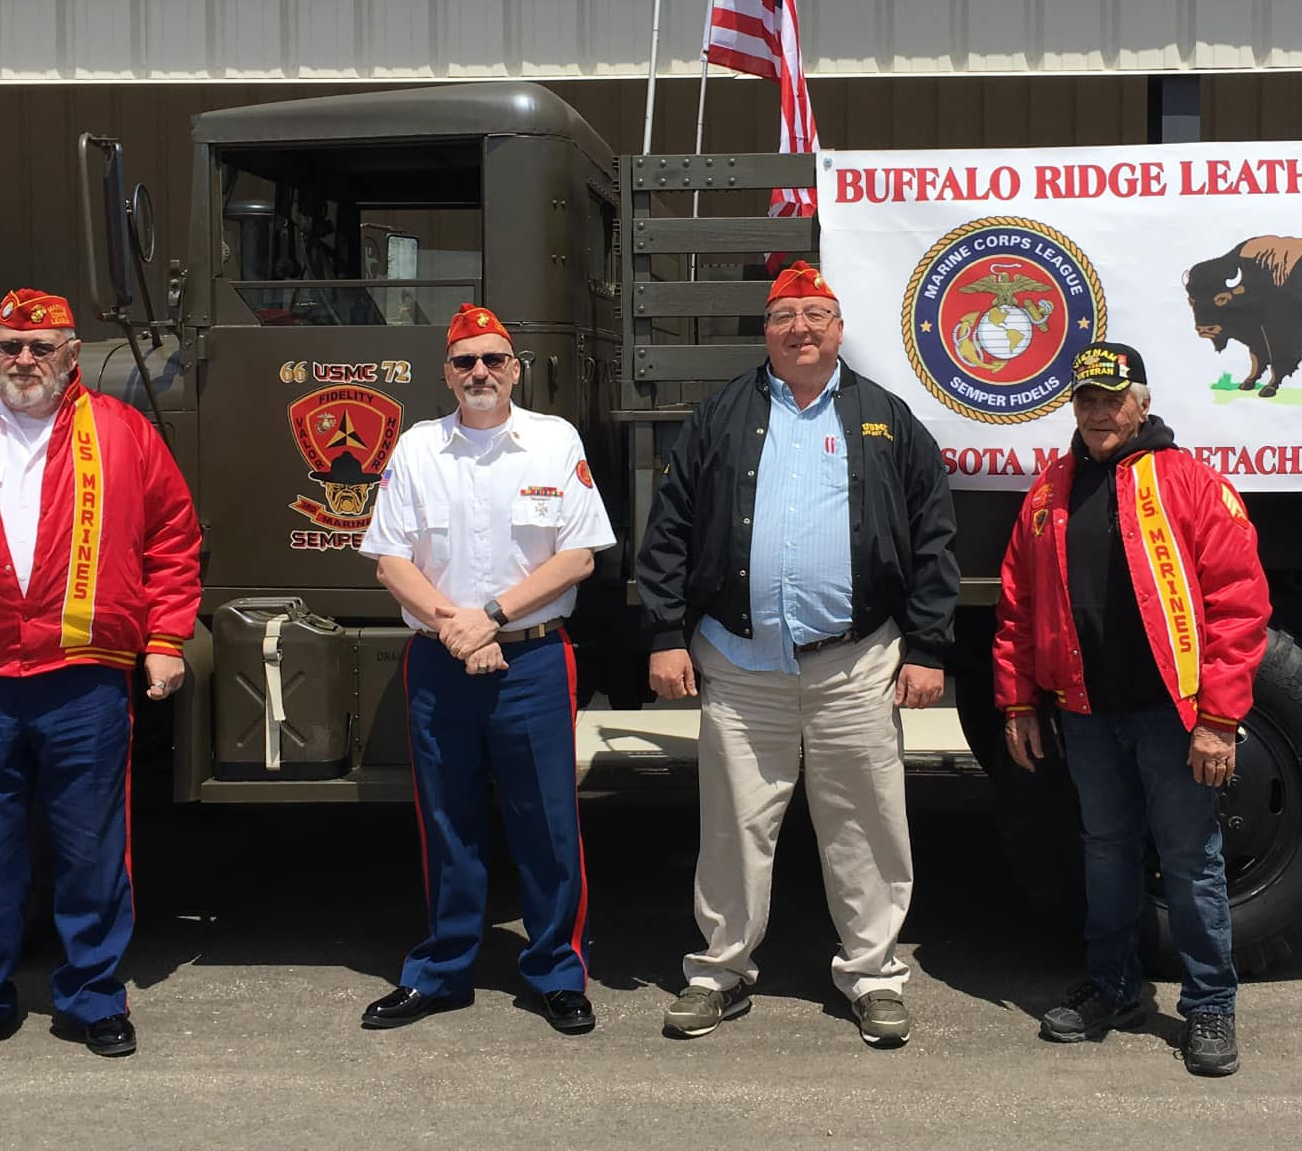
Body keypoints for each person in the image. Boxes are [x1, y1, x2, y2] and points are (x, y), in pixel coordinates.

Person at [0, 288, 201, 1068]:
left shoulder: (123, 434)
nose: (25, 360)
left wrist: (165, 637)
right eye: (11, 345)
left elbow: (173, 538)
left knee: (91, 850)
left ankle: (92, 999)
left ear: (71, 355)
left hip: (82, 682)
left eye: (41, 346)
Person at [636, 261, 959, 1047]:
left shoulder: (887, 417)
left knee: (867, 827)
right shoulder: (720, 416)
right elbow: (670, 529)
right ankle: (719, 973)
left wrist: (929, 646)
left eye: (817, 313)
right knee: (733, 827)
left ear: (840, 328)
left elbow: (933, 537)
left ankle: (875, 977)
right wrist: (664, 633)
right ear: (766, 330)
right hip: (741, 665)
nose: (802, 328)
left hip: (855, 664)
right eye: (786, 315)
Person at [992, 341, 1268, 1077]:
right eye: (1085, 399)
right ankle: (1112, 990)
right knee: (1106, 854)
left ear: (1141, 404)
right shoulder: (1050, 489)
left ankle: (1210, 1004)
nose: (1097, 412)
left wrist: (1217, 720)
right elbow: (1017, 607)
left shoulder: (1190, 483)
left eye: (1111, 399)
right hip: (1084, 715)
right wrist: (1017, 701)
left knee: (1191, 859)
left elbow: (1239, 610)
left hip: (1171, 719)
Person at [357, 302, 616, 1035]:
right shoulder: (417, 448)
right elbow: (390, 560)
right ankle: (441, 972)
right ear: (446, 373)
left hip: (533, 659)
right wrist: (457, 629)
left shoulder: (552, 441)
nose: (480, 372)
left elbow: (579, 554)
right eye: (466, 361)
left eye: (493, 359)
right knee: (448, 823)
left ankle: (558, 972)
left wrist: (491, 618)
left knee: (549, 824)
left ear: (515, 370)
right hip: (441, 662)